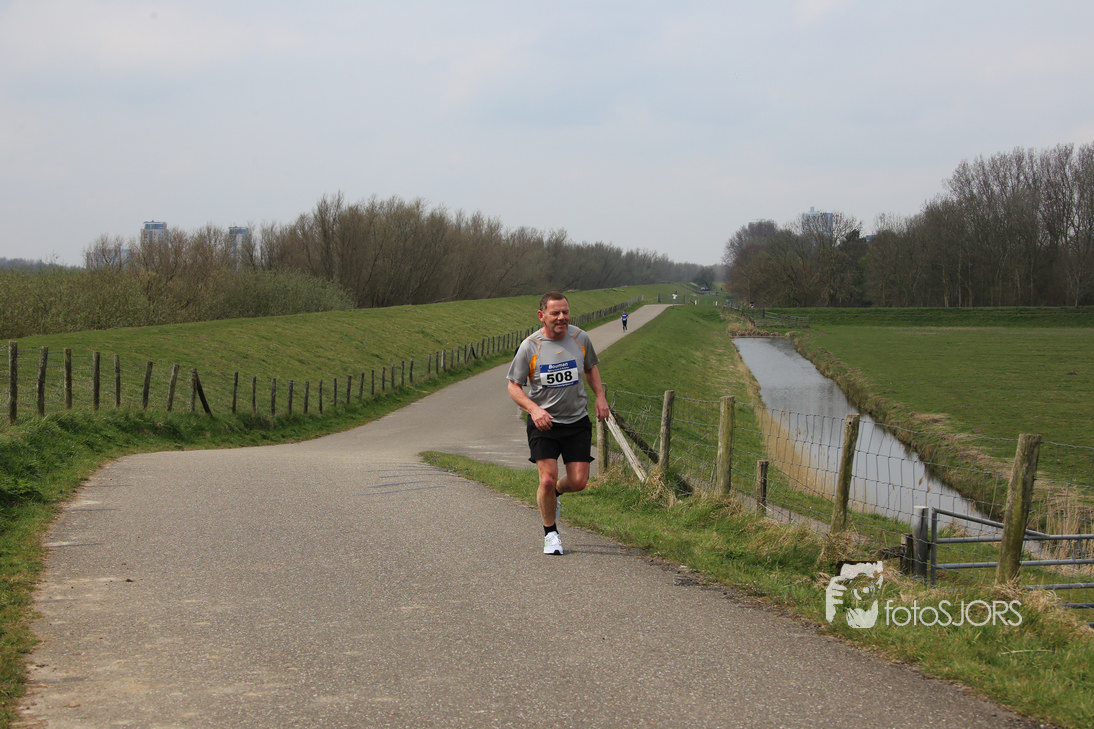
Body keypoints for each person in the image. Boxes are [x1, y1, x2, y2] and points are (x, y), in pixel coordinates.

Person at [507, 292, 610, 555]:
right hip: (545, 424)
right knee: (546, 480)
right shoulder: (530, 346)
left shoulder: (580, 338)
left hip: (576, 421)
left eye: (565, 312)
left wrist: (600, 396)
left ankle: (556, 494)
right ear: (542, 316)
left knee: (578, 482)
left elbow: (590, 367)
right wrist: (534, 409)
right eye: (555, 313)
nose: (562, 317)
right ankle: (550, 534)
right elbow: (513, 386)